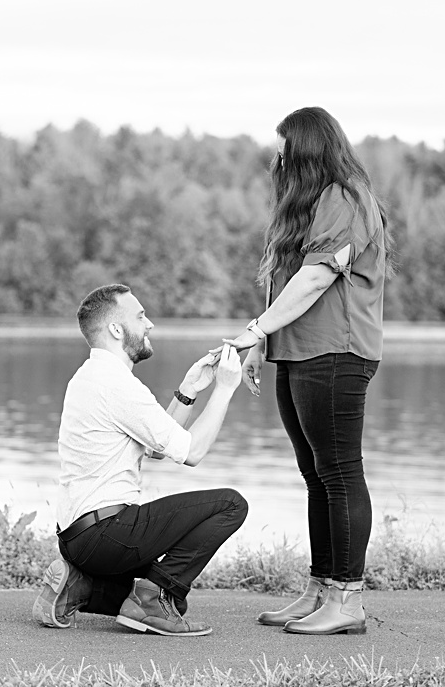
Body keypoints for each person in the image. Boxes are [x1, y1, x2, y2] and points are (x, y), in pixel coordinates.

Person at [223, 106, 391, 636]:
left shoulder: (345, 198)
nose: (275, 157)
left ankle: (348, 600)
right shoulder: (310, 205)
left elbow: (317, 278)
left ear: (307, 150)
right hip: (296, 352)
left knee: (340, 472)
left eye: (283, 148)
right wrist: (262, 343)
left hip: (336, 352)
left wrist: (252, 329)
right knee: (316, 475)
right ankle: (321, 588)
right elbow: (286, 283)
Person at [32, 284, 249, 636]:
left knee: (172, 603)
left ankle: (78, 586)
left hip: (78, 539)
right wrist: (225, 388)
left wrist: (189, 389)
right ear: (116, 329)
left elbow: (156, 447)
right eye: (140, 316)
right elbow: (191, 453)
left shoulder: (89, 377)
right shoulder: (119, 385)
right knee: (230, 504)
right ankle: (152, 598)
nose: (149, 325)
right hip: (107, 532)